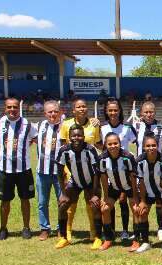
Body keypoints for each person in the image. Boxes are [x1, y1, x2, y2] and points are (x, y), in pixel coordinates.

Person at [0, 97, 38, 240]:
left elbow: (35, 139)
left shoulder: (27, 124)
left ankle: (26, 228)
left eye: (15, 107)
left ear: (19, 108)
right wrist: (5, 147)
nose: (12, 110)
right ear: (5, 108)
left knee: (25, 199)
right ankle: (3, 228)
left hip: (24, 170)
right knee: (5, 201)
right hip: (5, 170)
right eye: (9, 107)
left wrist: (22, 147)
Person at [59, 98, 103, 248]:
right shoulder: (66, 124)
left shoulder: (94, 124)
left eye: (84, 106)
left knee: (93, 204)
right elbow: (63, 148)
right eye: (78, 107)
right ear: (73, 110)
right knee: (68, 204)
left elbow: (98, 143)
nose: (82, 109)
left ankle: (95, 234)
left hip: (90, 173)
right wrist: (66, 177)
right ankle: (66, 234)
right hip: (72, 173)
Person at [100, 98, 137, 243]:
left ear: (120, 111)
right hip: (110, 170)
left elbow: (137, 143)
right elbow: (99, 145)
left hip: (125, 171)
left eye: (115, 110)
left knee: (124, 201)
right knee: (110, 201)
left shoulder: (127, 128)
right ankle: (110, 233)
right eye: (110, 110)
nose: (113, 113)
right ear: (106, 112)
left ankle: (126, 231)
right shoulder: (102, 128)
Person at [99, 132, 138, 251]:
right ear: (105, 144)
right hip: (114, 188)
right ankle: (109, 239)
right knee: (105, 209)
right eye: (110, 144)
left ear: (120, 143)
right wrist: (105, 196)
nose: (113, 146)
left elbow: (133, 177)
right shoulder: (102, 158)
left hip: (129, 187)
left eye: (115, 143)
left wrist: (135, 196)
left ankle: (136, 240)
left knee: (135, 209)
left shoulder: (128, 156)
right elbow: (104, 178)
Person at [134, 134, 162, 253]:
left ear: (158, 146)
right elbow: (141, 182)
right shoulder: (139, 161)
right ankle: (145, 242)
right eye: (148, 146)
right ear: (144, 147)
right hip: (148, 192)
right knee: (142, 213)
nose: (151, 148)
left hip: (161, 192)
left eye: (154, 145)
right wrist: (143, 201)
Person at [36, 101, 63, 240]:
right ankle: (45, 228)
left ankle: (61, 228)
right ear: (45, 113)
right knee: (42, 202)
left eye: (55, 111)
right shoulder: (39, 126)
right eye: (49, 112)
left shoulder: (65, 126)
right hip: (42, 171)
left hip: (60, 173)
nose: (53, 114)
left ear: (60, 112)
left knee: (62, 202)